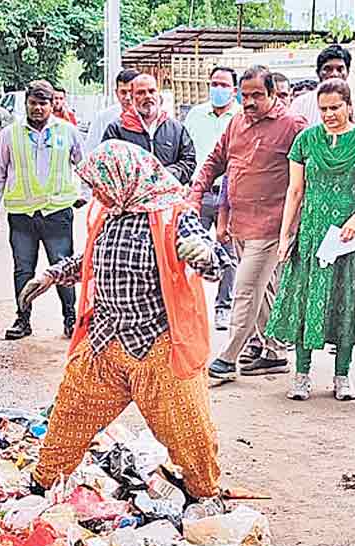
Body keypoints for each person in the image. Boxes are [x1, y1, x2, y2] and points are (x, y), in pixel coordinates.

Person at [23, 140, 234, 499]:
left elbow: (214, 261)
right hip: (103, 343)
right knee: (69, 419)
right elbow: (91, 261)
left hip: (158, 346)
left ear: (124, 178)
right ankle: (42, 485)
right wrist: (51, 276)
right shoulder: (108, 213)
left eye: (101, 185)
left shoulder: (173, 215)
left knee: (189, 433)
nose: (96, 193)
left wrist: (204, 253)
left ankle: (204, 496)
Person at [267, 79, 355, 401]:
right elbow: (295, 191)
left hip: (350, 237)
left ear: (349, 106)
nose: (329, 114)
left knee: (345, 301)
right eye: (323, 109)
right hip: (312, 233)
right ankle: (302, 375)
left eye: (335, 107)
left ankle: (342, 375)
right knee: (308, 300)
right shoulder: (306, 140)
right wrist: (285, 235)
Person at [190, 65, 308, 382]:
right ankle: (274, 352)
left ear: (273, 94)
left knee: (245, 288)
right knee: (262, 289)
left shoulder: (293, 125)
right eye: (245, 95)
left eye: (257, 95)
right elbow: (217, 161)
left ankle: (228, 359)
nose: (250, 101)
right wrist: (196, 192)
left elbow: (309, 176)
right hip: (241, 221)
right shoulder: (237, 122)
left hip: (273, 224)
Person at [0, 81, 85, 340]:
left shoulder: (68, 132)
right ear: (26, 103)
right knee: (23, 270)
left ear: (53, 104)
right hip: (22, 216)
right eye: (33, 103)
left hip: (57, 214)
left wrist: (84, 195)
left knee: (63, 268)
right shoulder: (10, 134)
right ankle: (23, 319)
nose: (38, 108)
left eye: (43, 103)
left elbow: (85, 167)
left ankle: (70, 319)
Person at [184, 66, 241, 330]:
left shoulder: (241, 117)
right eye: (214, 84)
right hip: (198, 193)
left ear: (234, 90)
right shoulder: (195, 115)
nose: (218, 89)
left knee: (227, 253)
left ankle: (223, 306)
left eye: (224, 85)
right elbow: (185, 154)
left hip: (229, 195)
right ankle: (186, 306)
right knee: (188, 248)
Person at [104, 74, 197, 183]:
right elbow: (107, 165)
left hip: (169, 196)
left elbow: (188, 162)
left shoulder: (176, 129)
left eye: (151, 91)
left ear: (158, 94)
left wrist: (164, 175)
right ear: (132, 97)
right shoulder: (117, 129)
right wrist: (138, 180)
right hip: (132, 198)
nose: (148, 96)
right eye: (141, 92)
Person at [289, 45, 355, 126]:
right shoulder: (300, 104)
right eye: (328, 69)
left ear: (348, 72)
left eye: (339, 69)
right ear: (318, 73)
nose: (334, 74)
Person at [85, 68, 139, 156]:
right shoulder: (103, 119)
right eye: (123, 92)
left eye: (131, 92)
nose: (128, 97)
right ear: (117, 93)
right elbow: (90, 153)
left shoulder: (150, 119)